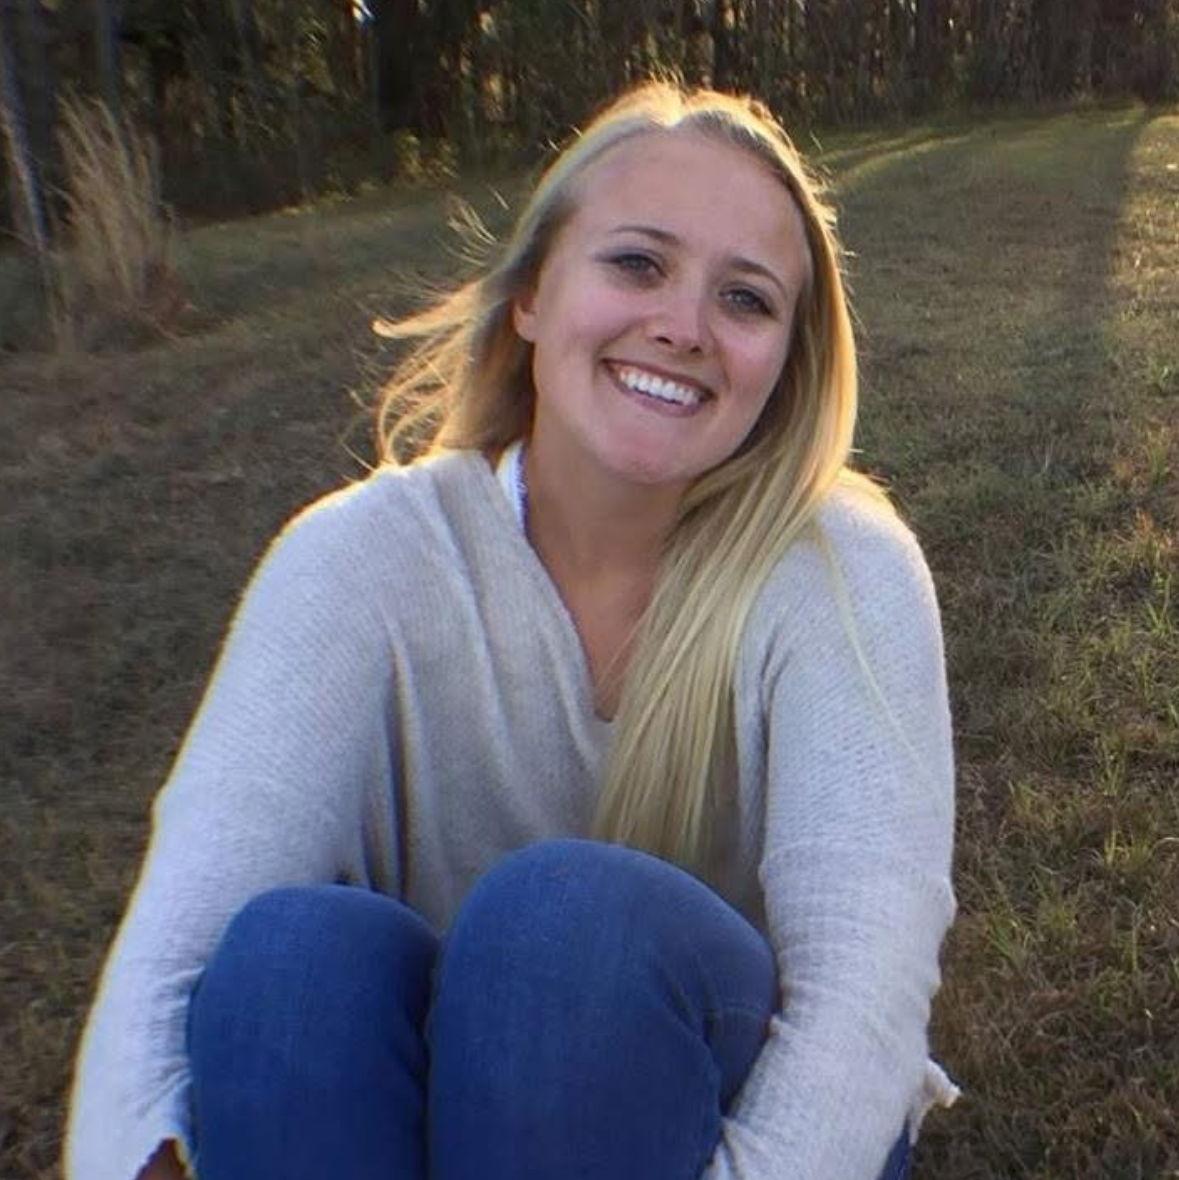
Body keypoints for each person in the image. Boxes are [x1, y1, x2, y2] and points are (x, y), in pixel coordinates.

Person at [66, 81, 959, 1180]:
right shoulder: (358, 557)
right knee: (289, 959)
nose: (683, 326)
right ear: (532, 293)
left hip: (746, 1122)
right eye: (637, 263)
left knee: (564, 929)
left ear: (786, 362)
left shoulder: (838, 571)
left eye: (745, 299)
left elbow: (863, 1003)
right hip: (418, 1108)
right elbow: (175, 953)